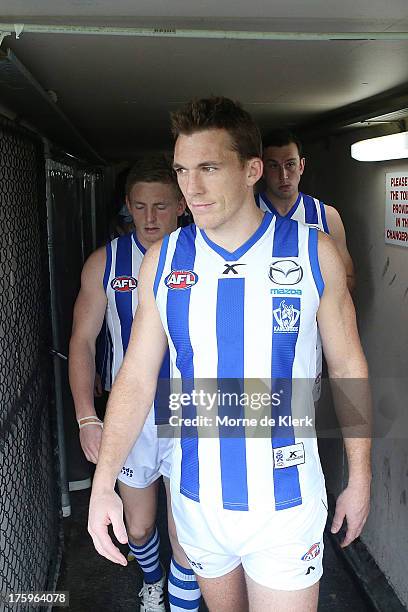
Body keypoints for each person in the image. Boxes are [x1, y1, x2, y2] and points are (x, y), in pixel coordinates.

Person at [87, 98, 371, 612]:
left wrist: (361, 477)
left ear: (251, 171)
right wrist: (103, 483)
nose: (190, 189)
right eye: (182, 172)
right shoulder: (165, 259)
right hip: (198, 502)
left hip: (286, 503)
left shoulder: (313, 252)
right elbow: (134, 377)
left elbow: (349, 367)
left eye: (208, 169)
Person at [69, 155, 201, 612]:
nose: (150, 218)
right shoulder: (105, 263)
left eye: (161, 206)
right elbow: (82, 342)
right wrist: (88, 417)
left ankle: (181, 602)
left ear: (182, 204)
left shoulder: (208, 254)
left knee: (188, 533)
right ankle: (152, 580)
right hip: (134, 414)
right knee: (140, 528)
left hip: (191, 408)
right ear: (127, 205)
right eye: (140, 206)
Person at [256, 129, 355, 291]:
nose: (284, 176)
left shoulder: (327, 216)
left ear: (301, 166)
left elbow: (348, 279)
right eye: (274, 166)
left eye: (290, 164)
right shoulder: (245, 214)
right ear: (262, 170)